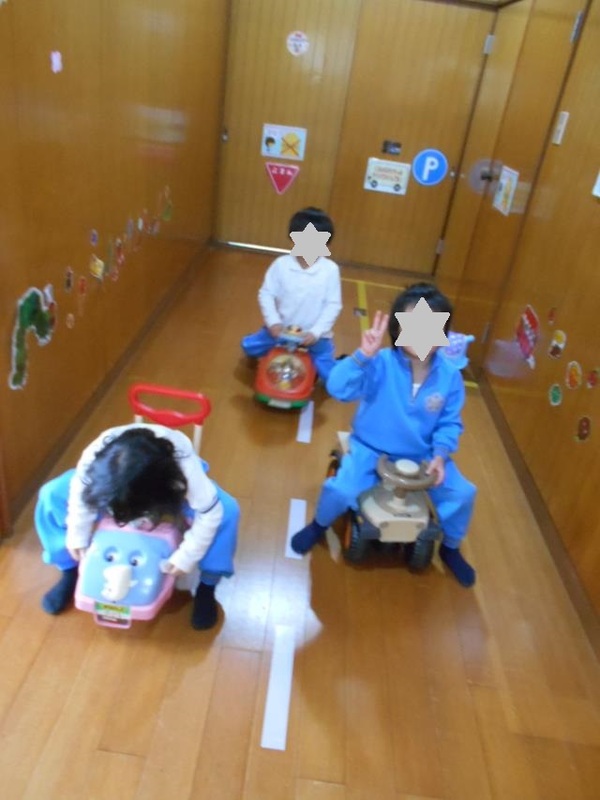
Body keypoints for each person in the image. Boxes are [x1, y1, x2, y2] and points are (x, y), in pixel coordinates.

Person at [290, 283, 477, 587]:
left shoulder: (449, 376)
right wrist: (362, 356)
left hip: (423, 454)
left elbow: (449, 423)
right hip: (371, 449)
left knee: (463, 492)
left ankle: (451, 547)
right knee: (341, 489)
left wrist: (440, 455)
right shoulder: (380, 364)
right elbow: (337, 387)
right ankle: (318, 525)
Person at [34, 424, 239, 629]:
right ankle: (69, 569)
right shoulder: (95, 457)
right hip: (115, 487)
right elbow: (80, 493)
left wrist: (188, 555)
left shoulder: (184, 469)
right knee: (51, 495)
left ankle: (207, 586)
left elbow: (211, 512)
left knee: (228, 512)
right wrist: (77, 534)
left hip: (168, 483)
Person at [241, 207, 342, 382]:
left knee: (330, 378)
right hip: (281, 331)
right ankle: (259, 340)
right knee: (248, 347)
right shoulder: (281, 265)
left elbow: (333, 305)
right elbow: (266, 294)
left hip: (314, 337)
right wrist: (273, 322)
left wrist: (316, 332)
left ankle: (340, 363)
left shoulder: (330, 270)